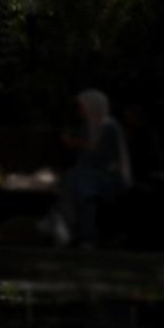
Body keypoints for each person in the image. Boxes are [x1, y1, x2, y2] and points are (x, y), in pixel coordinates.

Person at [59, 89, 131, 247]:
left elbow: (100, 152)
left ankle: (87, 236)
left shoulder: (108, 125)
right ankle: (72, 232)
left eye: (82, 107)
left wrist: (75, 143)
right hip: (85, 171)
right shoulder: (87, 125)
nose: (79, 111)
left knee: (84, 189)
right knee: (70, 184)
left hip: (104, 173)